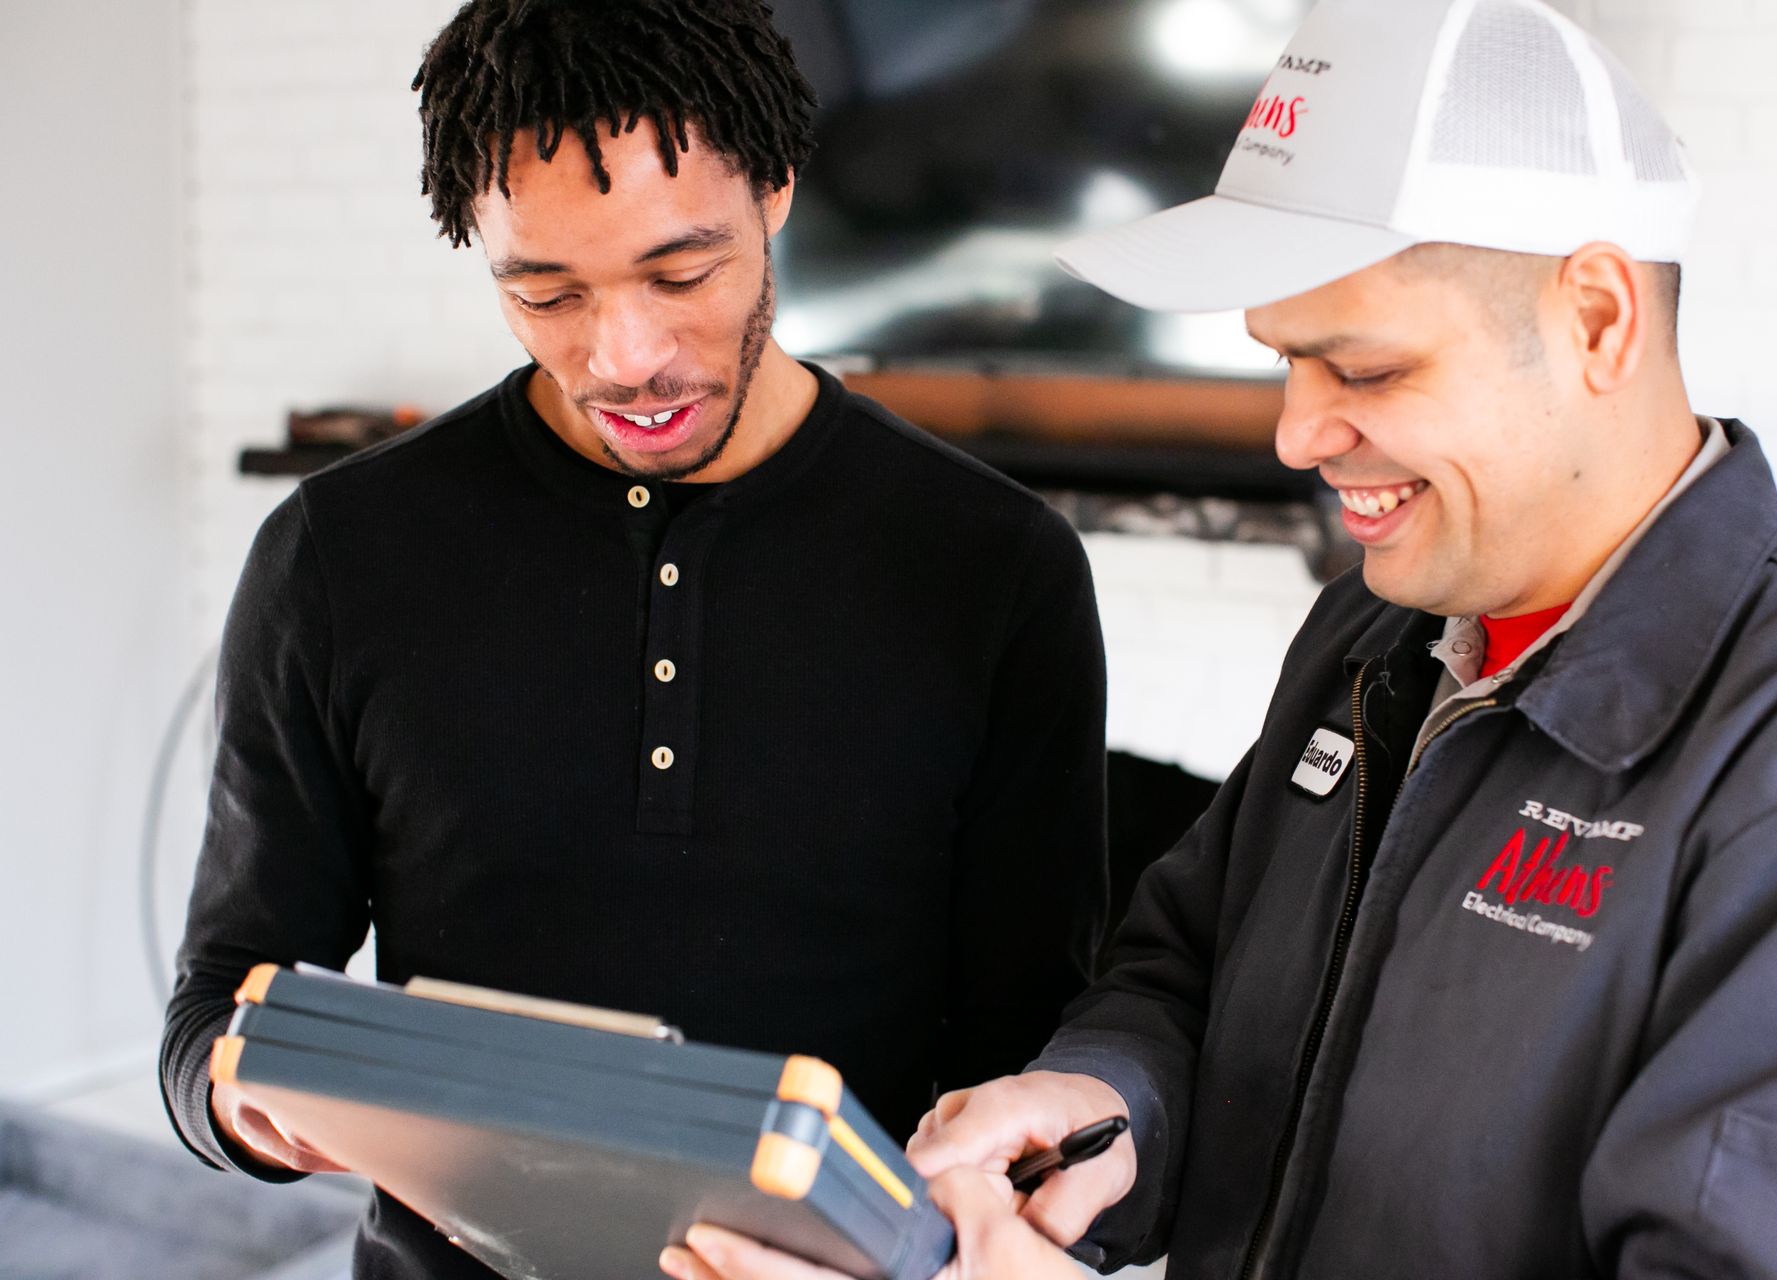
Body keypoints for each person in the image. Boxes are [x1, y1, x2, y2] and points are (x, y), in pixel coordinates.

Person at [671, 0, 1777, 1276]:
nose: (1297, 434)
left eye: (1364, 370)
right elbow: (1186, 970)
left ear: (1597, 318)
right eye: (1284, 362)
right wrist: (1103, 1103)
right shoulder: (1374, 633)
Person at [158, 2, 1107, 1276]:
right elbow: (217, 1005)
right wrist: (248, 1103)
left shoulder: (995, 567)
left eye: (681, 274)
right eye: (545, 292)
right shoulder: (336, 554)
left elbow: (1037, 1063)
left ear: (776, 188)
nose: (626, 358)